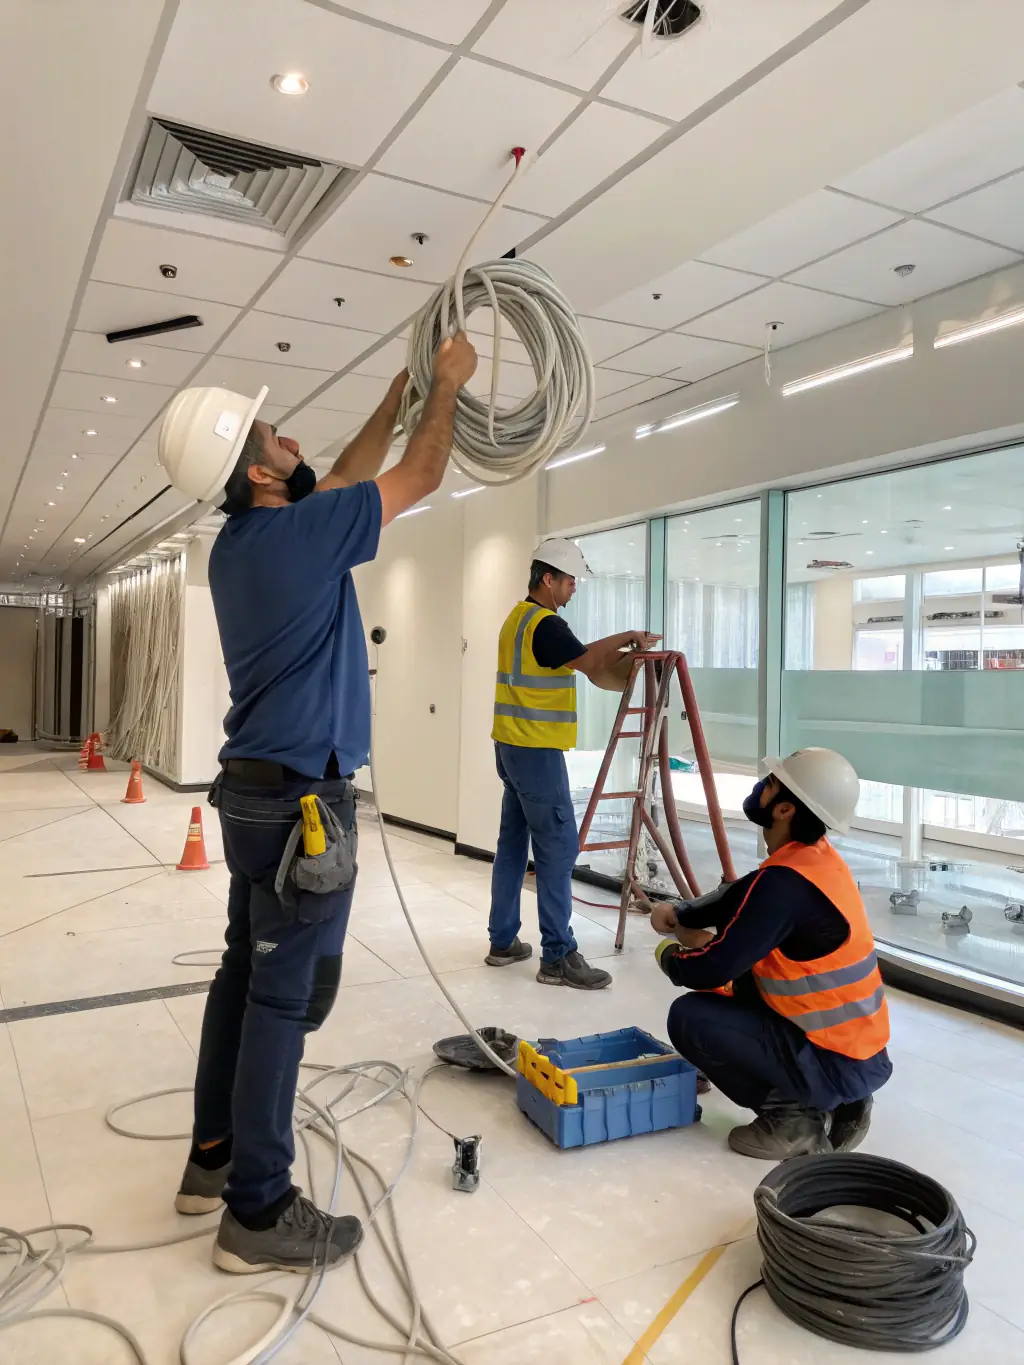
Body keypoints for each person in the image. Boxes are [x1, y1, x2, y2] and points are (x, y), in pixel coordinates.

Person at [156, 334, 478, 1273]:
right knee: (283, 1000)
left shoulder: (246, 544)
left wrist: (394, 396)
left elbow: (341, 475)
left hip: (253, 797)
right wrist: (445, 388)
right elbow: (419, 471)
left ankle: (212, 1158)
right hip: (303, 804)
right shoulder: (299, 535)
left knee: (243, 976)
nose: (291, 437)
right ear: (260, 472)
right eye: (274, 434)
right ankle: (258, 1210)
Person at [640, 748, 892, 1159]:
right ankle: (843, 1104)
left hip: (833, 1061)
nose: (761, 788)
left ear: (785, 809)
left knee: (690, 1018)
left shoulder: (785, 887)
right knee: (744, 983)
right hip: (854, 1053)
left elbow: (712, 967)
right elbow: (738, 897)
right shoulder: (813, 860)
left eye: (771, 784)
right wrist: (679, 913)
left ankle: (793, 1121)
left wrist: (670, 954)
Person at [488, 537, 659, 989]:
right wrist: (628, 637)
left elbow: (586, 662)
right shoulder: (546, 624)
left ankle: (502, 942)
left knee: (513, 846)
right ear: (548, 579)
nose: (574, 588)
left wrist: (622, 653)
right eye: (569, 580)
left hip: (510, 746)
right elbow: (590, 661)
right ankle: (558, 956)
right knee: (559, 847)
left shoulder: (517, 619)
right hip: (536, 751)